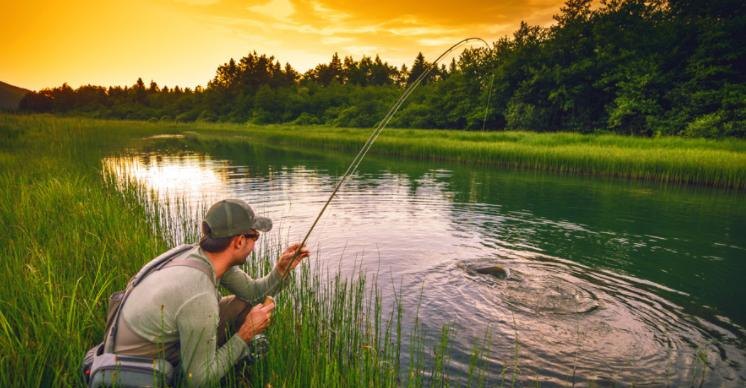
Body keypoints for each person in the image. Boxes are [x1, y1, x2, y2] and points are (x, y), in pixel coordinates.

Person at [112, 199, 309, 386]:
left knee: (240, 306)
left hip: (146, 342)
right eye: (254, 236)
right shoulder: (199, 295)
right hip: (139, 368)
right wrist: (245, 333)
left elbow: (252, 294)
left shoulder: (197, 255)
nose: (254, 245)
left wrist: (281, 271)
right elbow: (197, 381)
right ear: (239, 241)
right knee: (204, 369)